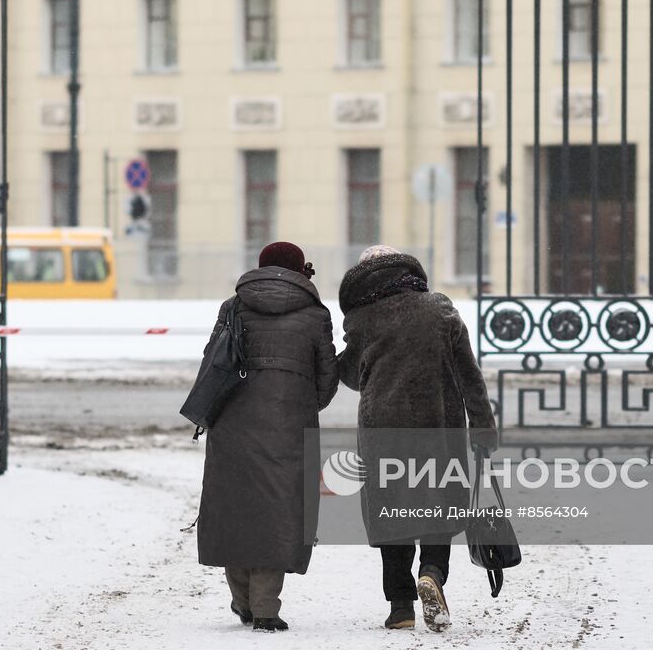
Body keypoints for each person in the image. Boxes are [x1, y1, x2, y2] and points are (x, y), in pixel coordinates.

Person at [337, 245, 496, 633]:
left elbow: (353, 378)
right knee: (438, 504)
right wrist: (483, 427)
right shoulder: (439, 308)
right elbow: (468, 375)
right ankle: (432, 573)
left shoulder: (361, 318)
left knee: (392, 512)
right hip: (438, 425)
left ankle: (400, 607)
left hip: (383, 431)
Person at [196, 241, 339, 632]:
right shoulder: (314, 314)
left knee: (236, 507)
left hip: (232, 423)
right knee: (279, 509)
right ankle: (265, 608)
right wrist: (299, 403)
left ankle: (243, 600)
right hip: (289, 426)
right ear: (299, 271)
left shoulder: (233, 306)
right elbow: (327, 379)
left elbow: (212, 358)